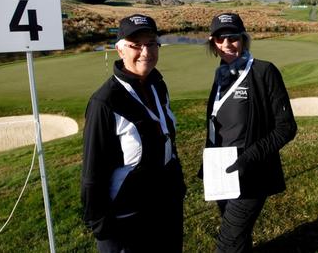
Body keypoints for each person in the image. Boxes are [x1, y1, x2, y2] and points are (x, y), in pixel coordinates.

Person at [81, 14, 186, 253]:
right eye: (136, 45)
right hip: (127, 217)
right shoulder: (104, 102)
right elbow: (92, 174)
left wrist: (177, 185)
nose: (145, 52)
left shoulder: (158, 85)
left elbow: (167, 139)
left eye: (151, 43)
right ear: (120, 50)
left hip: (166, 206)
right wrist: (101, 227)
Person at [202, 13, 297, 253]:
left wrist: (250, 157)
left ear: (243, 39)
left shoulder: (264, 72)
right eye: (219, 39)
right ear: (213, 43)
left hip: (251, 173)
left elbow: (286, 127)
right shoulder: (222, 74)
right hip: (222, 172)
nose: (226, 45)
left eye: (232, 38)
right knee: (238, 237)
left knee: (227, 243)